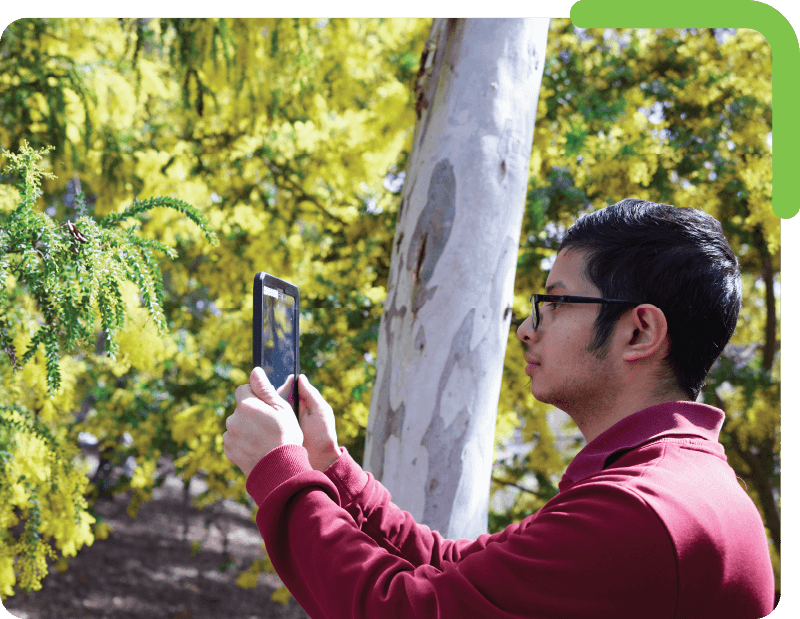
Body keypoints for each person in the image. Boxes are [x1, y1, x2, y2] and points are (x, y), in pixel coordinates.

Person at [223, 199, 776, 618]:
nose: (526, 329)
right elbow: (458, 568)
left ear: (639, 331)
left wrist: (279, 475)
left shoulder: (639, 511)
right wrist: (330, 468)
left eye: (555, 303)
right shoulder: (673, 483)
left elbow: (402, 609)